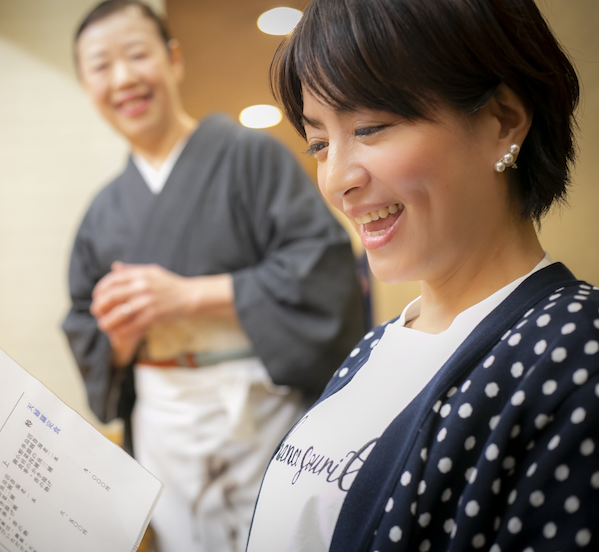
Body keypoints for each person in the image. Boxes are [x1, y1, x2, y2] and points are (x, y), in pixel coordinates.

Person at [246, 0, 598, 551]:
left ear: (502, 121)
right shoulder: (376, 347)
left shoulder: (577, 354)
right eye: (319, 143)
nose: (336, 178)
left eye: (370, 127)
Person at [62, 1, 365, 551]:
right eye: (102, 66)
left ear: (173, 60)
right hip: (163, 425)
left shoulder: (251, 157)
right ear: (86, 85)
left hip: (258, 409)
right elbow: (85, 327)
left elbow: (323, 266)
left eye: (136, 55)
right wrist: (121, 337)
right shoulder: (100, 213)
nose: (124, 77)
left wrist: (186, 296)